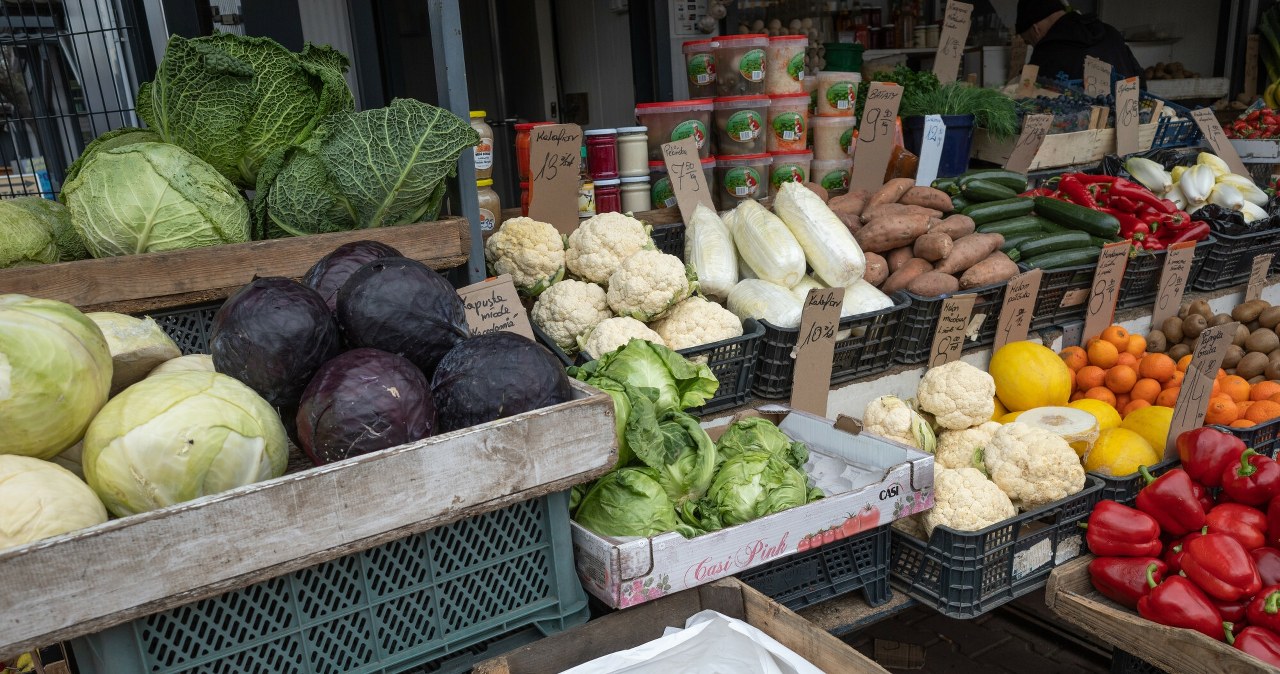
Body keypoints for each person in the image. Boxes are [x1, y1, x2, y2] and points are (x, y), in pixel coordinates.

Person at [1015, 0, 1143, 83]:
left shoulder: (1047, 49)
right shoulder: (1111, 32)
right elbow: (1140, 79)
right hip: (1129, 118)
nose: (1034, 44)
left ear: (1035, 30)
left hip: (1079, 123)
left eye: (1029, 41)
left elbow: (1029, 96)